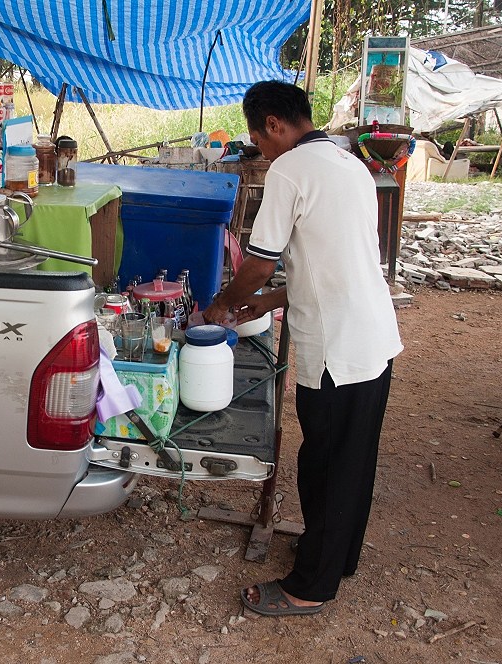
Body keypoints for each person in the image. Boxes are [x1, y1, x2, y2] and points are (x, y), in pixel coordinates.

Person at [204, 80, 403, 616]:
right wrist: (267, 303)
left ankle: (310, 587)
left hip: (338, 346)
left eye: (257, 136)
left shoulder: (290, 168)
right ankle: (338, 556)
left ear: (272, 124)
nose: (259, 148)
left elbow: (260, 261)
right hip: (374, 337)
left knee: (328, 464)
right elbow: (326, 263)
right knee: (351, 460)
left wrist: (224, 301)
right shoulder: (350, 164)